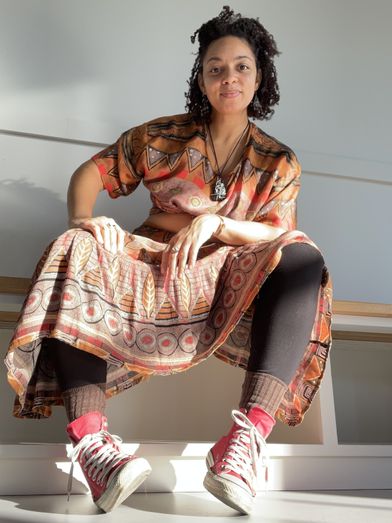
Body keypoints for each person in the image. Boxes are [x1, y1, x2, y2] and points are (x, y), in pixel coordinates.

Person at [4, 5, 332, 516]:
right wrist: (83, 220)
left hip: (231, 276)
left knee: (303, 256)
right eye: (215, 67)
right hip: (157, 268)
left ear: (260, 76)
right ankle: (94, 449)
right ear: (200, 78)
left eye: (242, 66)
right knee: (76, 247)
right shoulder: (161, 137)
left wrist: (215, 224)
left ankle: (242, 446)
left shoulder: (278, 159)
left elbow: (278, 232)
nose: (229, 77)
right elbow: (89, 175)